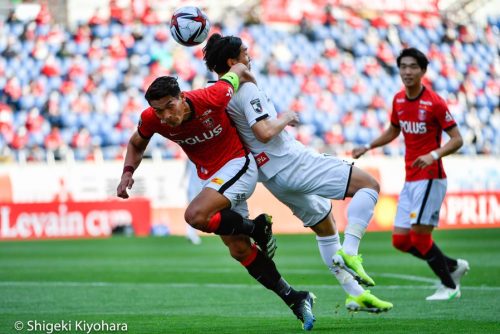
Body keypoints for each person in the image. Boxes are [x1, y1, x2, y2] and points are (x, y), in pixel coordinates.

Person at [203, 33, 393, 313]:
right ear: (233, 61)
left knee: (325, 225)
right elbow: (265, 131)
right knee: (369, 185)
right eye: (245, 53)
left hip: (272, 176)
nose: (250, 56)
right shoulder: (246, 90)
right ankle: (350, 253)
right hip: (292, 161)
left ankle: (356, 294)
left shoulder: (218, 95)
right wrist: (287, 117)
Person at [116, 65, 316, 330]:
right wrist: (127, 173)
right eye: (158, 110)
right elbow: (136, 144)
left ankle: (256, 227)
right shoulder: (152, 118)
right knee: (239, 249)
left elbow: (240, 69)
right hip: (211, 178)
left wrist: (262, 97)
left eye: (169, 106)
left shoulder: (213, 95)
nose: (165, 116)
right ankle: (294, 297)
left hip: (238, 165)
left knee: (195, 215)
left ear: (182, 97)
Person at [352, 47, 469, 301]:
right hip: (411, 178)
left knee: (419, 236)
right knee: (401, 241)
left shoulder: (435, 102)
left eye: (413, 67)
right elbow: (394, 131)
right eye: (403, 66)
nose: (407, 71)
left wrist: (434, 154)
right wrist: (368, 146)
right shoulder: (398, 100)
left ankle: (449, 286)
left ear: (423, 71)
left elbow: (458, 139)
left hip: (431, 177)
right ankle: (451, 265)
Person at [184, 159, 203, 245]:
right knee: (195, 212)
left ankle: (190, 232)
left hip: (192, 186)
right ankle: (191, 233)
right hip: (196, 187)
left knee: (194, 211)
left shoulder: (190, 157)